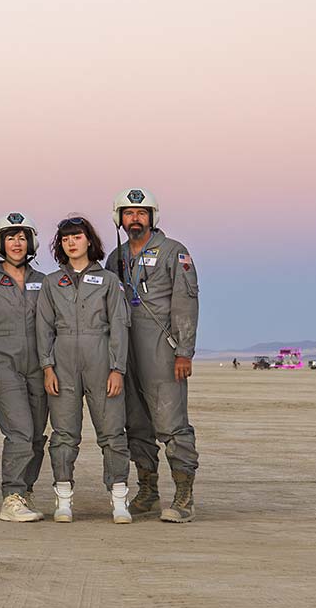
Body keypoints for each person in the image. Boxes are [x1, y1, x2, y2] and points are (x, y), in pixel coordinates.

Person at [34, 215, 132, 522]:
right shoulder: (52, 282)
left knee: (112, 433)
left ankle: (119, 500)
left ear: (89, 240)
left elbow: (119, 326)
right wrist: (47, 367)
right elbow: (43, 328)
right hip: (62, 362)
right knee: (63, 434)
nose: (71, 243)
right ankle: (63, 500)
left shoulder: (109, 281)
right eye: (65, 239)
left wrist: (117, 369)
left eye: (76, 237)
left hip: (101, 359)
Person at [112, 186, 199, 523]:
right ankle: (147, 491)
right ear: (119, 218)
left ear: (152, 217)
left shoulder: (174, 252)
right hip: (125, 352)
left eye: (141, 213)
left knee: (171, 423)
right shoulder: (116, 258)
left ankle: (184, 495)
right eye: (129, 213)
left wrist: (184, 351)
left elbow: (185, 303)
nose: (135, 219)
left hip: (162, 350)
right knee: (135, 423)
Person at [0, 210, 50, 521]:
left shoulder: (43, 281)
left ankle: (26, 491)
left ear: (31, 242)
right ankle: (11, 497)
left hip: (40, 367)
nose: (17, 243)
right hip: (4, 365)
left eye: (22, 237)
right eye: (11, 237)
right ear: (0, 243)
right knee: (20, 432)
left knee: (37, 436)